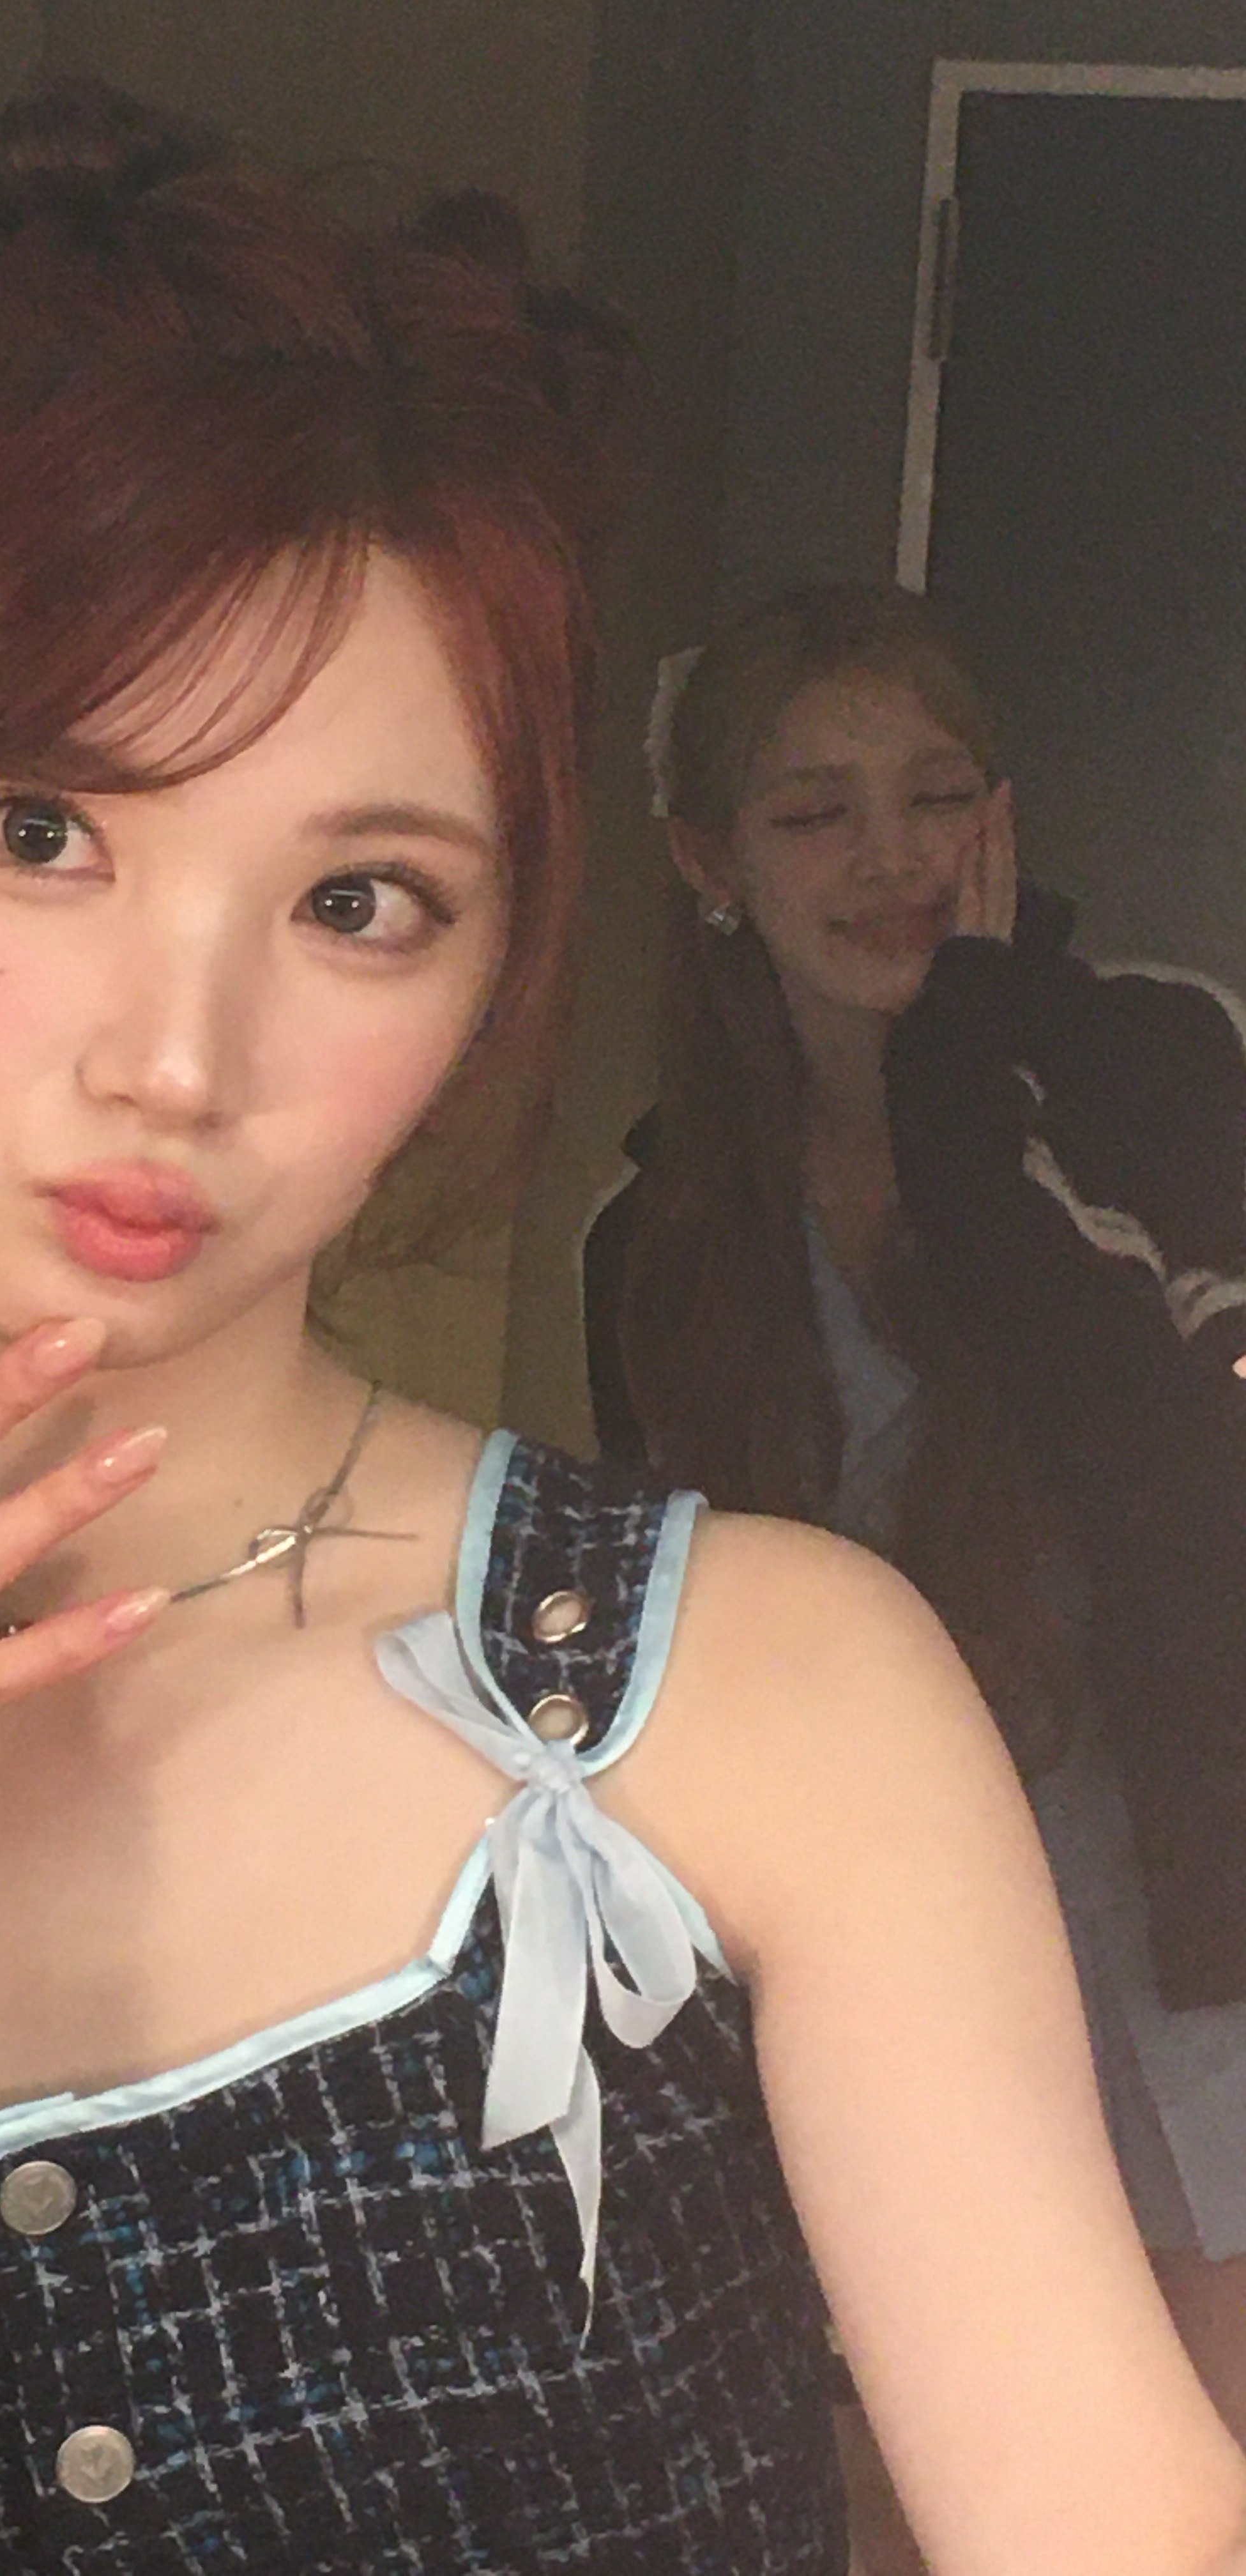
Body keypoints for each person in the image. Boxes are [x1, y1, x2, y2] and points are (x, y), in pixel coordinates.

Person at [0, 89, 1241, 2576]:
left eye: (357, 902)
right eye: (43, 833)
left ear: (494, 952)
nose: (177, 1055)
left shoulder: (774, 1704)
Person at [585, 582, 1246, 2468]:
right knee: (979, 2472)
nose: (893, 860)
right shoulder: (660, 1238)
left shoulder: (1156, 1062)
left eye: (938, 798)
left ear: (1002, 818)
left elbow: (1176, 1452)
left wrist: (969, 1065)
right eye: (815, 813)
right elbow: (683, 1665)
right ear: (711, 863)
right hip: (907, 1944)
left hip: (1195, 1868)